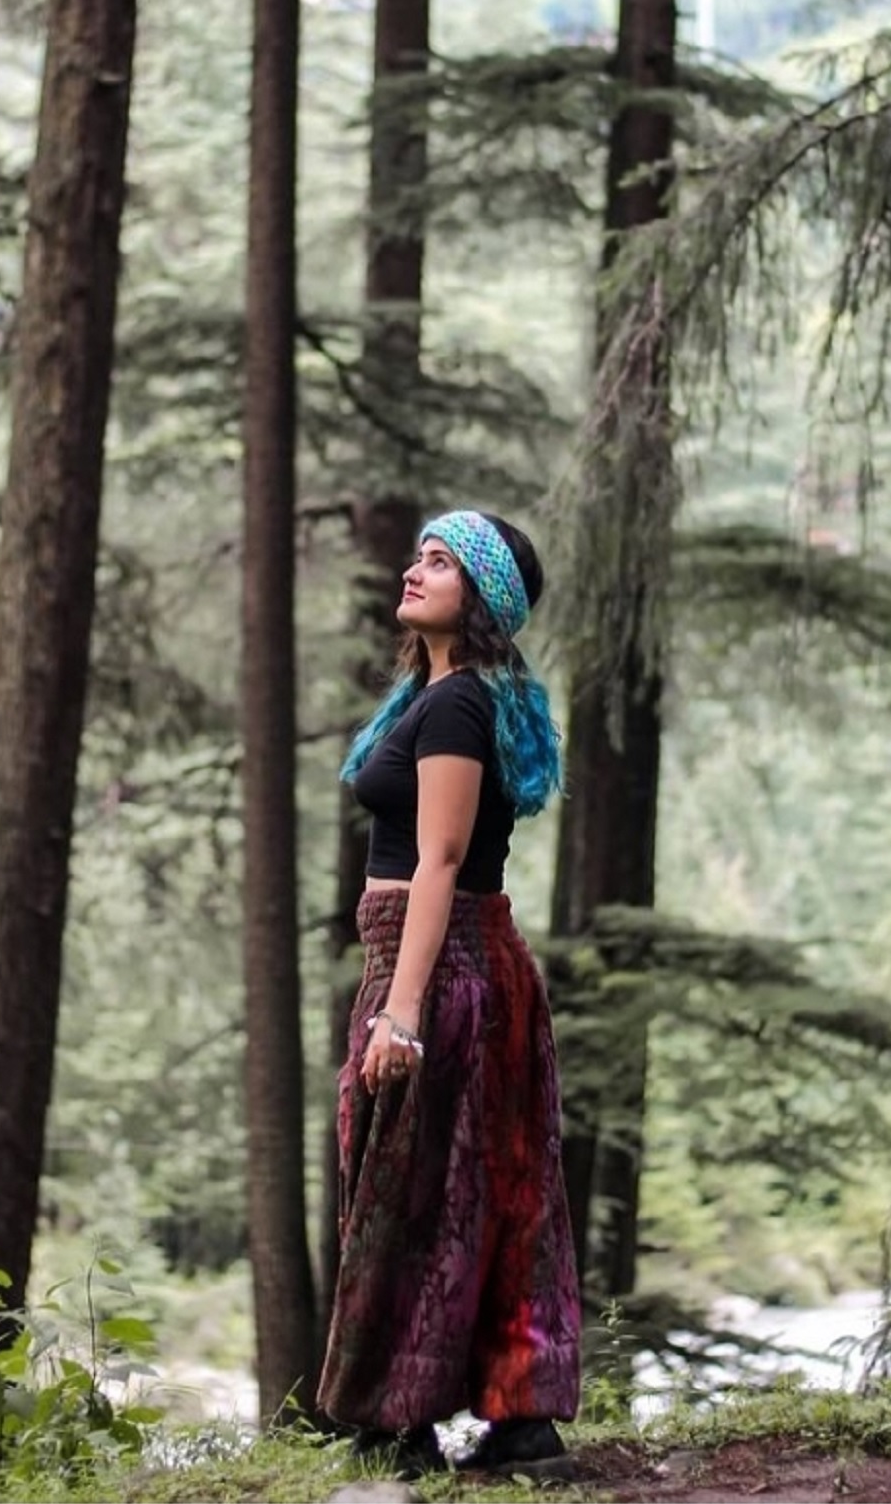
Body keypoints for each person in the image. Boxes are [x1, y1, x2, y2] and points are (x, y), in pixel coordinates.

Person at [317, 509, 583, 1478]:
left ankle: (407, 1421)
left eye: (440, 560)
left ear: (481, 595)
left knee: (415, 1184)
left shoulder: (460, 704)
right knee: (474, 1181)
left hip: (443, 964)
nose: (414, 568)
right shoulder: (431, 696)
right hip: (446, 959)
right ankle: (509, 1421)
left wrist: (403, 1009)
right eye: (418, 553)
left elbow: (439, 860)